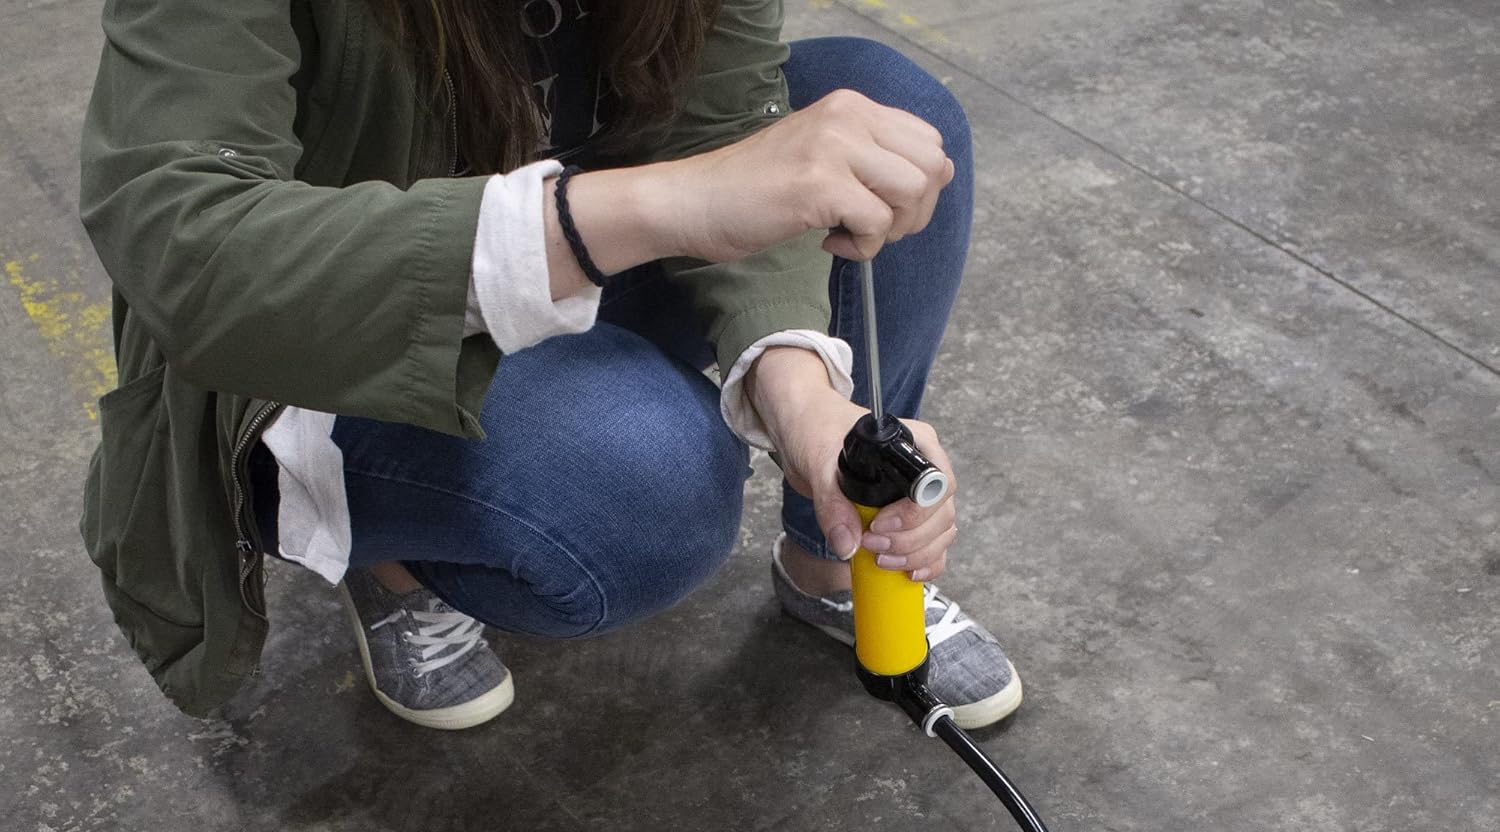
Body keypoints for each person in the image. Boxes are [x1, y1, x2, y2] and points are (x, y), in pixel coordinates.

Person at [79, 0, 1022, 732]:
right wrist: (655, 206)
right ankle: (392, 551)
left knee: (887, 127)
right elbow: (185, 246)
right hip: (330, 332)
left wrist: (802, 393)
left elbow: (723, 111)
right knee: (639, 483)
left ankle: (837, 565)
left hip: (578, 254)